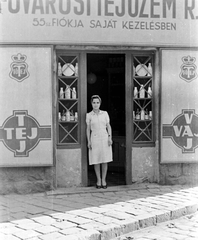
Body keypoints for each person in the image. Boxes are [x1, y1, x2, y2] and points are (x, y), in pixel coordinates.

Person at [86, 95, 113, 189]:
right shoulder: (89, 115)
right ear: (91, 103)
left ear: (100, 103)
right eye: (94, 103)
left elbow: (108, 126)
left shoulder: (104, 114)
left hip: (105, 138)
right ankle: (98, 180)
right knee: (96, 160)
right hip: (95, 138)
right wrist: (89, 141)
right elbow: (88, 129)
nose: (96, 104)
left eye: (97, 102)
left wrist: (110, 137)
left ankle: (104, 180)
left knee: (105, 160)